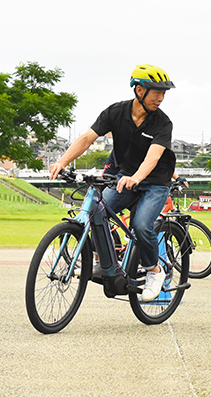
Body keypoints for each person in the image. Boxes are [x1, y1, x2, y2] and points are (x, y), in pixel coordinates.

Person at [50, 64, 176, 302]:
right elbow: (88, 138)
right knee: (96, 212)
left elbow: (154, 156)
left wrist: (137, 177)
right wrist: (62, 161)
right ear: (139, 90)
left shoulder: (162, 123)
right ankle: (100, 261)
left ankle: (154, 271)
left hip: (155, 183)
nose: (161, 98)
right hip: (124, 179)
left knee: (140, 225)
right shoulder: (115, 112)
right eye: (156, 91)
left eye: (164, 93)